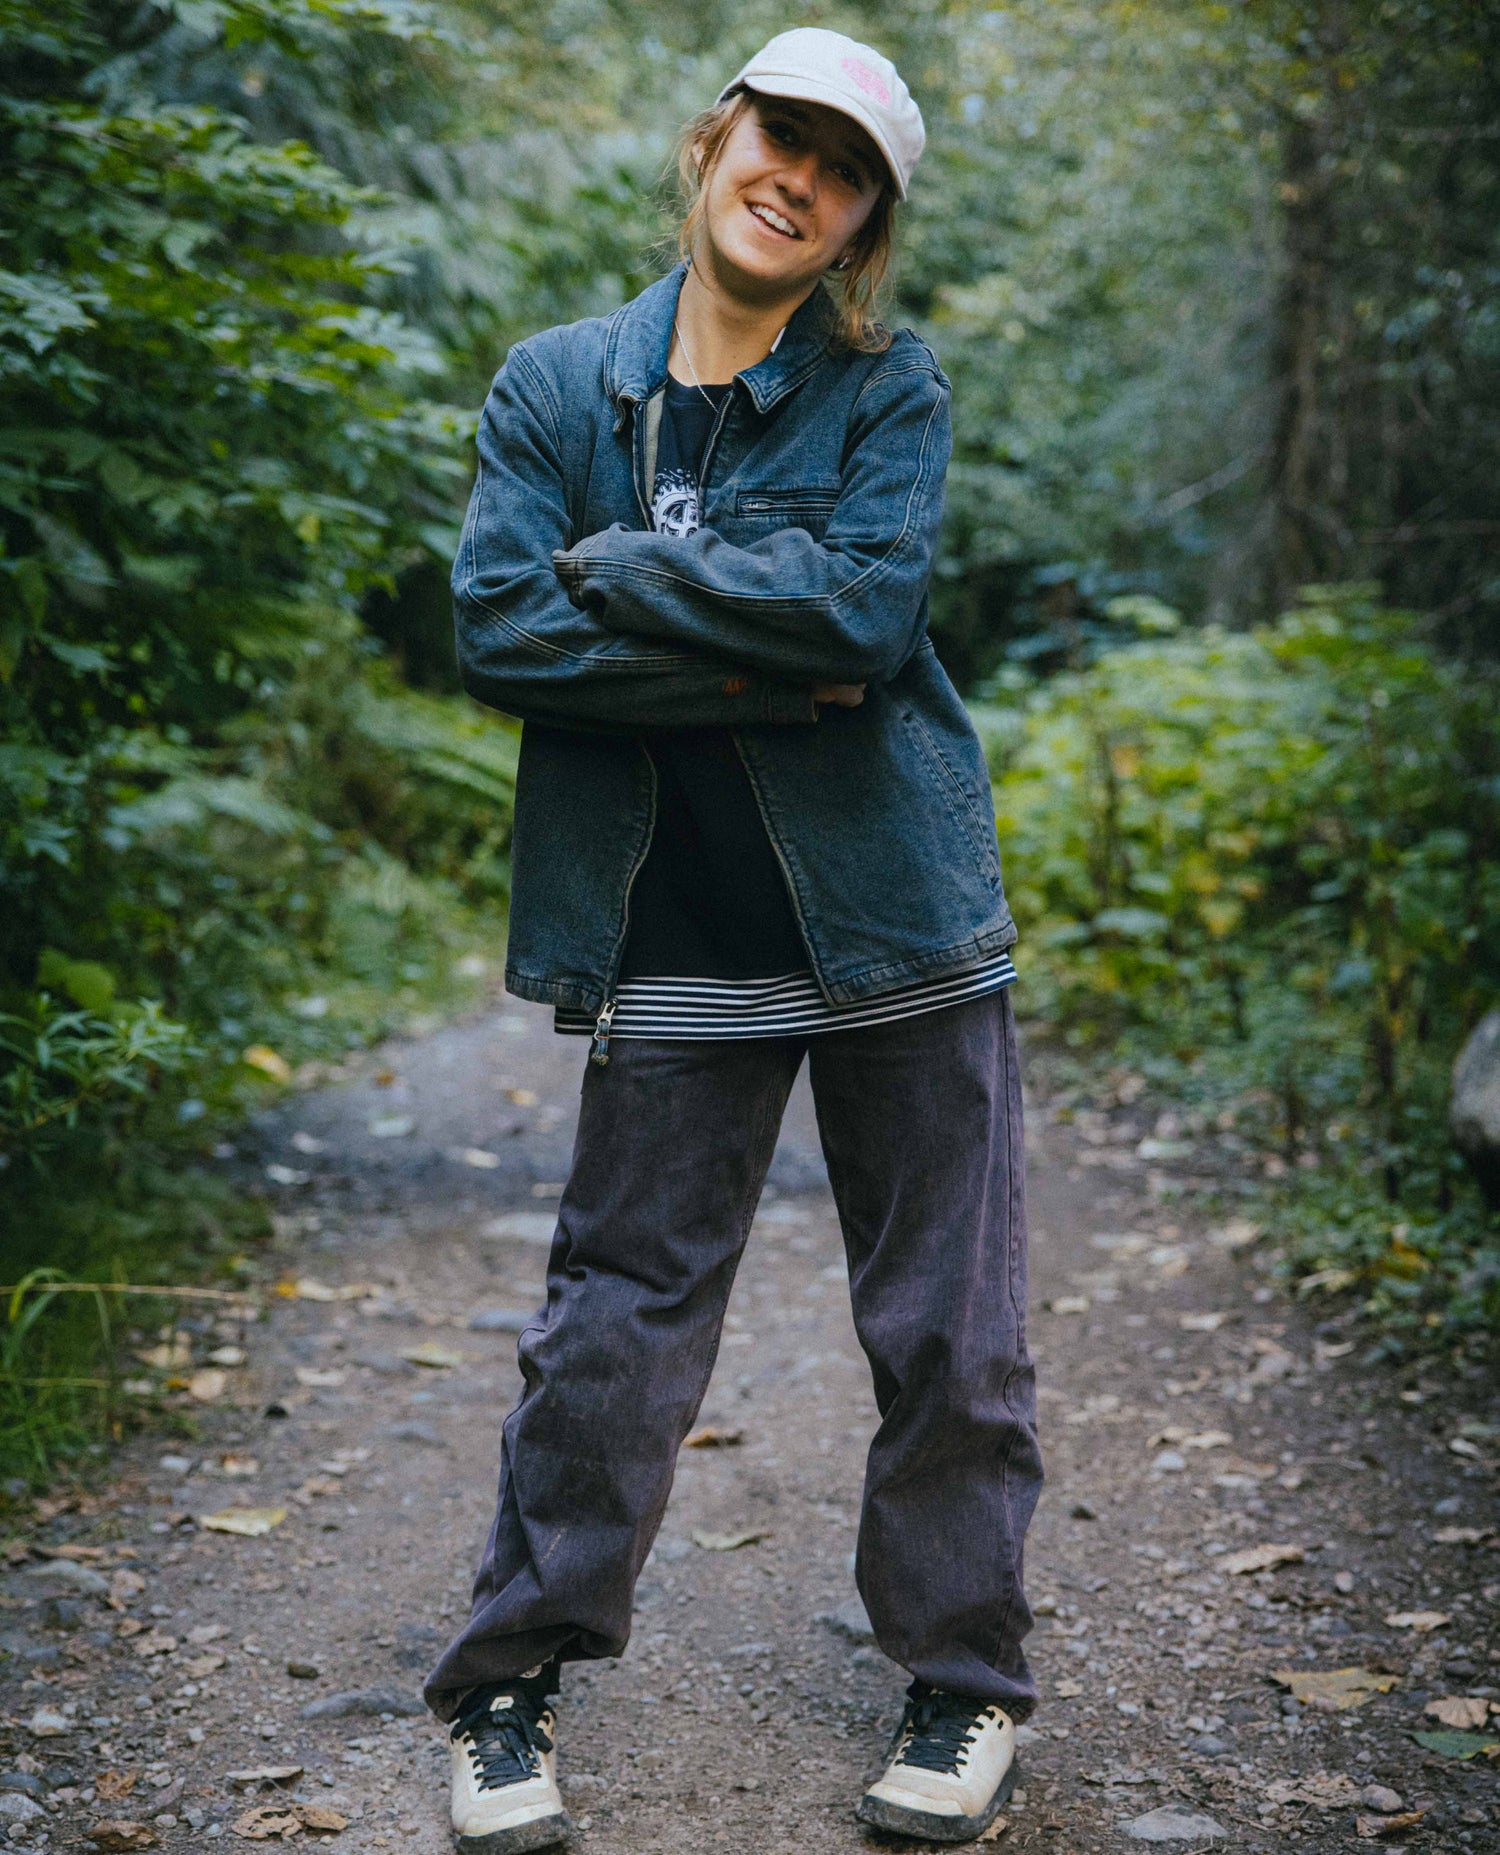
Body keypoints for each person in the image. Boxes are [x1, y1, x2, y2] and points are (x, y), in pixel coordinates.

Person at [423, 27, 1042, 1852]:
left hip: (897, 926)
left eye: (843, 170)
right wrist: (770, 676)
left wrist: (614, 572)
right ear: (716, 141)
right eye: (783, 136)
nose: (800, 177)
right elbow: (493, 633)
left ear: (862, 222)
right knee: (612, 1325)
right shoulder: (555, 387)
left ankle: (962, 1686)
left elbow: (863, 610)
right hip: (667, 929)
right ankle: (506, 1686)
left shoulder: (887, 385)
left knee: (949, 1327)